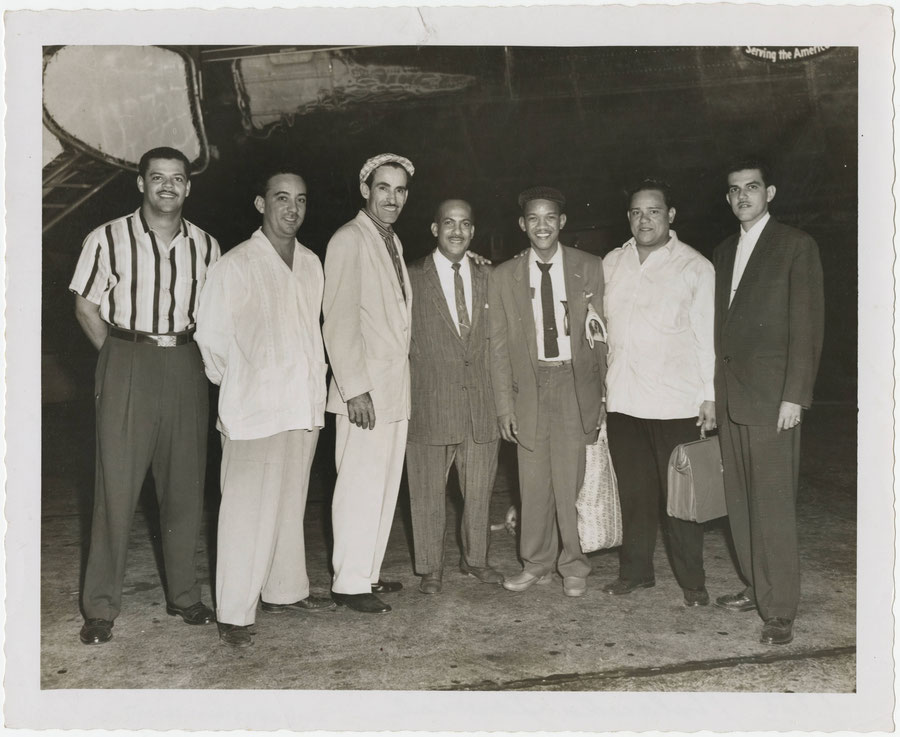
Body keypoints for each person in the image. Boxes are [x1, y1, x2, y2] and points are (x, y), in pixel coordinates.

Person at [69, 147, 219, 645]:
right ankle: (100, 608)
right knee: (115, 489)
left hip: (185, 362)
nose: (168, 187)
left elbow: (215, 317)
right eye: (158, 178)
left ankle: (184, 595)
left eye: (177, 179)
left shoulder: (207, 246)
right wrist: (118, 358)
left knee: (183, 486)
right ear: (141, 184)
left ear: (189, 187)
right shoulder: (107, 237)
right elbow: (87, 308)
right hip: (127, 357)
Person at [195, 167, 335, 647]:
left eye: (300, 199)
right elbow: (210, 343)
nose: (291, 208)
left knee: (289, 504)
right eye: (281, 198)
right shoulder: (234, 264)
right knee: (244, 512)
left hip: (302, 406)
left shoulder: (313, 263)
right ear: (261, 204)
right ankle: (235, 610)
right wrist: (242, 383)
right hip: (253, 411)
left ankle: (284, 591)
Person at [713, 158, 824, 646]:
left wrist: (795, 396)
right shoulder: (722, 252)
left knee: (773, 505)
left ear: (770, 192)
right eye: (734, 190)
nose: (742, 197)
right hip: (731, 396)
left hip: (773, 399)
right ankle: (756, 586)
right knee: (739, 503)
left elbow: (807, 326)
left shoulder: (796, 246)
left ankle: (779, 609)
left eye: (752, 188)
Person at [600, 179, 716, 606]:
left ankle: (693, 582)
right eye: (635, 212)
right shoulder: (613, 262)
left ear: (671, 215)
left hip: (675, 404)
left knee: (681, 502)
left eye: (653, 211)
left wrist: (709, 397)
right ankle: (636, 573)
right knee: (634, 494)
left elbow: (707, 337)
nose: (643, 219)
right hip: (624, 402)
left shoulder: (695, 267)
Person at [488, 186, 607, 598]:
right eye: (534, 218)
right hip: (529, 387)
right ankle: (535, 563)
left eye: (550, 217)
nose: (542, 225)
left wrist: (601, 397)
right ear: (523, 225)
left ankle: (574, 565)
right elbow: (498, 348)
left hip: (573, 384)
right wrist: (505, 406)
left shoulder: (589, 267)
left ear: (562, 222)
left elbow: (602, 337)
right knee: (533, 482)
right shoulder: (503, 276)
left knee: (570, 480)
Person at [322, 153, 415, 614]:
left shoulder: (390, 242)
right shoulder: (348, 239)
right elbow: (337, 321)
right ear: (366, 190)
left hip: (394, 390)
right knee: (358, 486)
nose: (392, 198)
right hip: (365, 394)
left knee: (382, 487)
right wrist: (354, 388)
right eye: (384, 188)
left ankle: (368, 573)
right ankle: (348, 582)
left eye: (400, 190)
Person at [406, 199, 503, 595]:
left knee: (479, 490)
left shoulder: (489, 275)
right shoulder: (411, 277)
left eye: (465, 224)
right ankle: (431, 568)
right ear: (434, 228)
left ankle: (475, 559)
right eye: (449, 223)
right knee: (426, 491)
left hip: (481, 405)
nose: (457, 231)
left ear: (473, 232)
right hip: (430, 402)